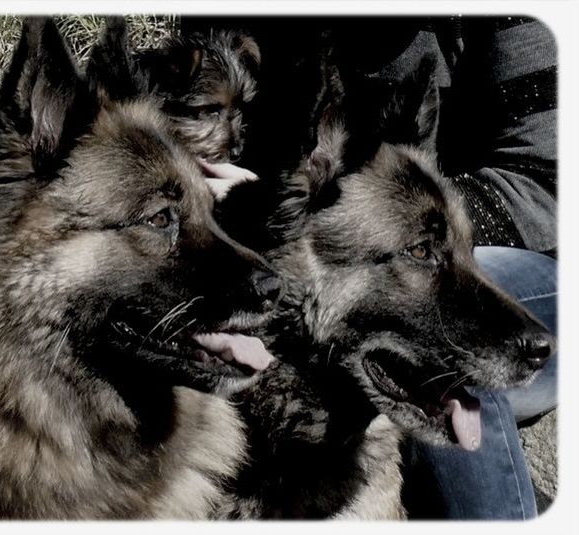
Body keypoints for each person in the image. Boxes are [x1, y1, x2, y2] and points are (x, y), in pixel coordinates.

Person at [187, 15, 557, 519]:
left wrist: (423, 217)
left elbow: (547, 188)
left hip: (526, 265)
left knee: (448, 354)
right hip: (329, 239)